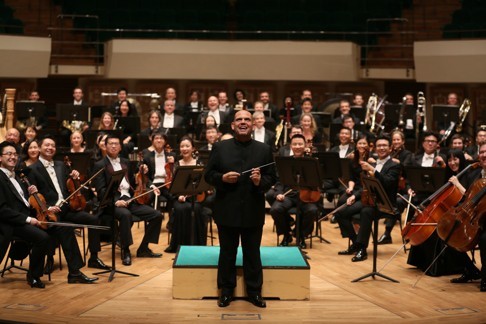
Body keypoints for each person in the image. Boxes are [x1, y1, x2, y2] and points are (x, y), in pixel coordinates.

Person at [0, 141, 97, 288]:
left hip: (30, 217)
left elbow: (23, 201)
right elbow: (2, 210)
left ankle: (75, 273)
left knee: (65, 228)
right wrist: (28, 219)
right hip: (13, 222)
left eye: (15, 154)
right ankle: (33, 275)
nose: (13, 157)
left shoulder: (17, 177)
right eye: (9, 154)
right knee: (42, 238)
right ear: (0, 158)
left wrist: (38, 203)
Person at [205, 110, 276, 308]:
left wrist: (260, 181)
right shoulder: (220, 148)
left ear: (253, 125)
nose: (243, 122)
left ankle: (254, 292)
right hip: (227, 209)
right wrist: (222, 178)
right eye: (239, 120)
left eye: (247, 119)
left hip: (253, 210)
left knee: (252, 252)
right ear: (233, 125)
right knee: (227, 252)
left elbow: (273, 177)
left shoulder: (264, 149)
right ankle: (226, 291)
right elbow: (208, 175)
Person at [27, 136, 109, 272]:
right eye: (46, 145)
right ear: (40, 148)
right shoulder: (33, 169)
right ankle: (51, 259)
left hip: (66, 208)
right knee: (62, 228)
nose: (50, 148)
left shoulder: (60, 165)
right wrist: (46, 208)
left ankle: (93, 257)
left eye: (53, 145)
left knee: (94, 219)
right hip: (49, 213)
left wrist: (74, 177)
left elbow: (68, 185)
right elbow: (33, 197)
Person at [93, 134, 163, 266]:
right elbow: (101, 191)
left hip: (130, 200)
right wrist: (115, 202)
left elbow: (134, 181)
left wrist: (143, 173)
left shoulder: (126, 162)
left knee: (157, 215)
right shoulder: (100, 165)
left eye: (116, 144)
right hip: (111, 203)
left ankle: (143, 248)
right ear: (105, 146)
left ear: (120, 147)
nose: (113, 146)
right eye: (110, 143)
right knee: (126, 215)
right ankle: (125, 250)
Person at [342, 135, 401, 262]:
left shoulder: (394, 165)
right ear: (375, 148)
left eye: (384, 145)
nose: (382, 148)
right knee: (341, 213)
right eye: (379, 145)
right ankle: (356, 243)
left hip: (385, 204)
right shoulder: (372, 163)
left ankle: (362, 249)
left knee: (366, 211)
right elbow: (365, 185)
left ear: (390, 148)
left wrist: (372, 170)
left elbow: (388, 183)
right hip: (369, 200)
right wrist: (354, 196)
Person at [269, 134, 319, 249]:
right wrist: (278, 193)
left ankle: (301, 235)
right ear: (291, 146)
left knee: (312, 210)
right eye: (295, 144)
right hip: (289, 195)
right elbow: (279, 181)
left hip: (306, 196)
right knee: (275, 209)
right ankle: (286, 235)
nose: (297, 146)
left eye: (300, 144)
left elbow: (318, 181)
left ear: (305, 145)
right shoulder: (285, 162)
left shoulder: (311, 161)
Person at [451, 142, 486, 291]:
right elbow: (469, 197)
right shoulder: (475, 174)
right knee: (449, 231)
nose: (484, 155)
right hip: (475, 216)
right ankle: (469, 269)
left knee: (485, 239)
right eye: (482, 152)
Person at [165, 136, 207, 253]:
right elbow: (171, 187)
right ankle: (179, 245)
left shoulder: (199, 163)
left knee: (197, 209)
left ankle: (197, 244)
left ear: (193, 148)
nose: (185, 148)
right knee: (180, 209)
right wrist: (178, 196)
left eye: (187, 146)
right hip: (180, 198)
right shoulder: (176, 165)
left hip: (196, 197)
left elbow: (203, 184)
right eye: (182, 146)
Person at [334, 134, 370, 249]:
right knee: (341, 203)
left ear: (369, 145)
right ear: (356, 145)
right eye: (360, 143)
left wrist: (354, 196)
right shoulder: (353, 161)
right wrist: (350, 188)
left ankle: (357, 242)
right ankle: (354, 240)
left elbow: (367, 185)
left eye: (364, 143)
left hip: (366, 194)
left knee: (342, 213)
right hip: (356, 189)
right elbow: (352, 179)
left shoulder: (371, 160)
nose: (362, 145)